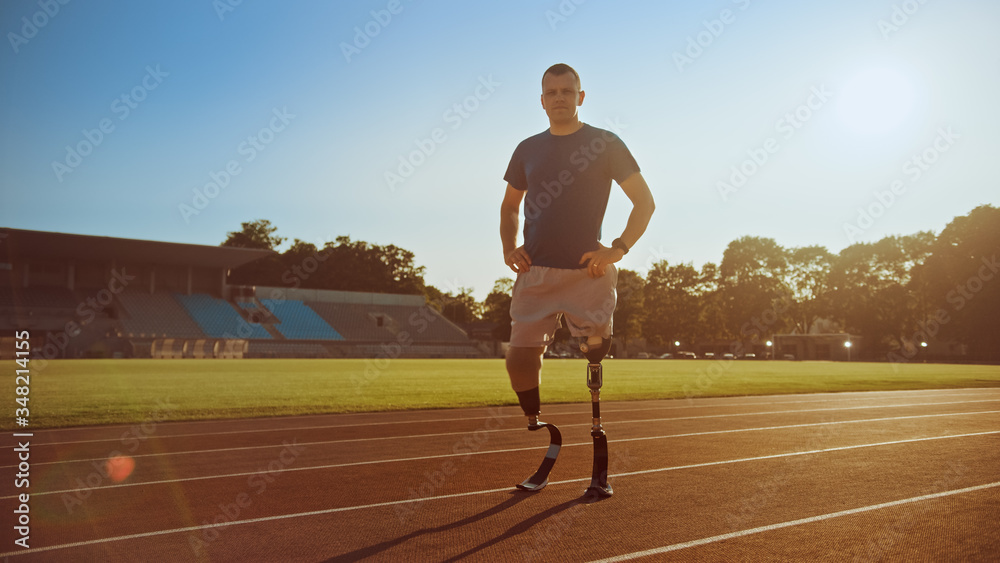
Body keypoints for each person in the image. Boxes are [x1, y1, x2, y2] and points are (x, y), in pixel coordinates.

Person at [500, 63, 656, 424]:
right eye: (551, 92)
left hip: (588, 271)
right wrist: (509, 248)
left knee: (596, 348)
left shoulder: (605, 143)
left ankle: (595, 360)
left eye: (566, 92)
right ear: (541, 101)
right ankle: (535, 423)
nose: (559, 98)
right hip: (535, 271)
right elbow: (509, 206)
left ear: (580, 97)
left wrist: (617, 249)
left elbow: (644, 203)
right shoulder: (527, 149)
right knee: (518, 359)